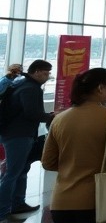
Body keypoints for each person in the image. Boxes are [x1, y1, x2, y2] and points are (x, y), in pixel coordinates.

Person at [41, 68, 106, 223]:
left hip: (60, 202)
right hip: (96, 201)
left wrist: (72, 165)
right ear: (100, 88)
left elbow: (47, 162)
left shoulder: (59, 119)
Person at [0, 60, 54, 220]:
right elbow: (31, 113)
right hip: (18, 135)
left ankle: (18, 204)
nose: (47, 76)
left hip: (17, 133)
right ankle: (2, 209)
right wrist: (51, 116)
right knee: (12, 173)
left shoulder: (22, 84)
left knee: (22, 170)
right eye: (45, 73)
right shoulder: (30, 88)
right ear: (36, 72)